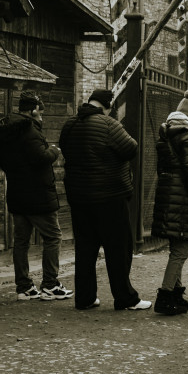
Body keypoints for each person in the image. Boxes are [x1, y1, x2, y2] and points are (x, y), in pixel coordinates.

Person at [59, 89, 151, 311]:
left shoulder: (70, 124)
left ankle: (85, 298)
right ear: (108, 105)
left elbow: (66, 149)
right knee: (118, 249)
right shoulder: (109, 124)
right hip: (110, 196)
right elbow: (131, 148)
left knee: (85, 249)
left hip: (79, 197)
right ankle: (125, 298)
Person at [0, 90, 73, 301]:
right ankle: (50, 285)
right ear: (33, 110)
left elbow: (7, 163)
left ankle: (24, 287)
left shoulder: (6, 132)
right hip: (38, 195)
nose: (42, 118)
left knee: (21, 242)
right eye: (40, 113)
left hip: (17, 193)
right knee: (53, 237)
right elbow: (41, 157)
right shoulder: (29, 130)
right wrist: (55, 150)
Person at [152, 90, 188, 314]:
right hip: (181, 196)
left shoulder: (167, 132)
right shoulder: (187, 135)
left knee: (177, 246)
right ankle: (165, 296)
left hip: (168, 193)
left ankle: (176, 293)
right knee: (180, 251)